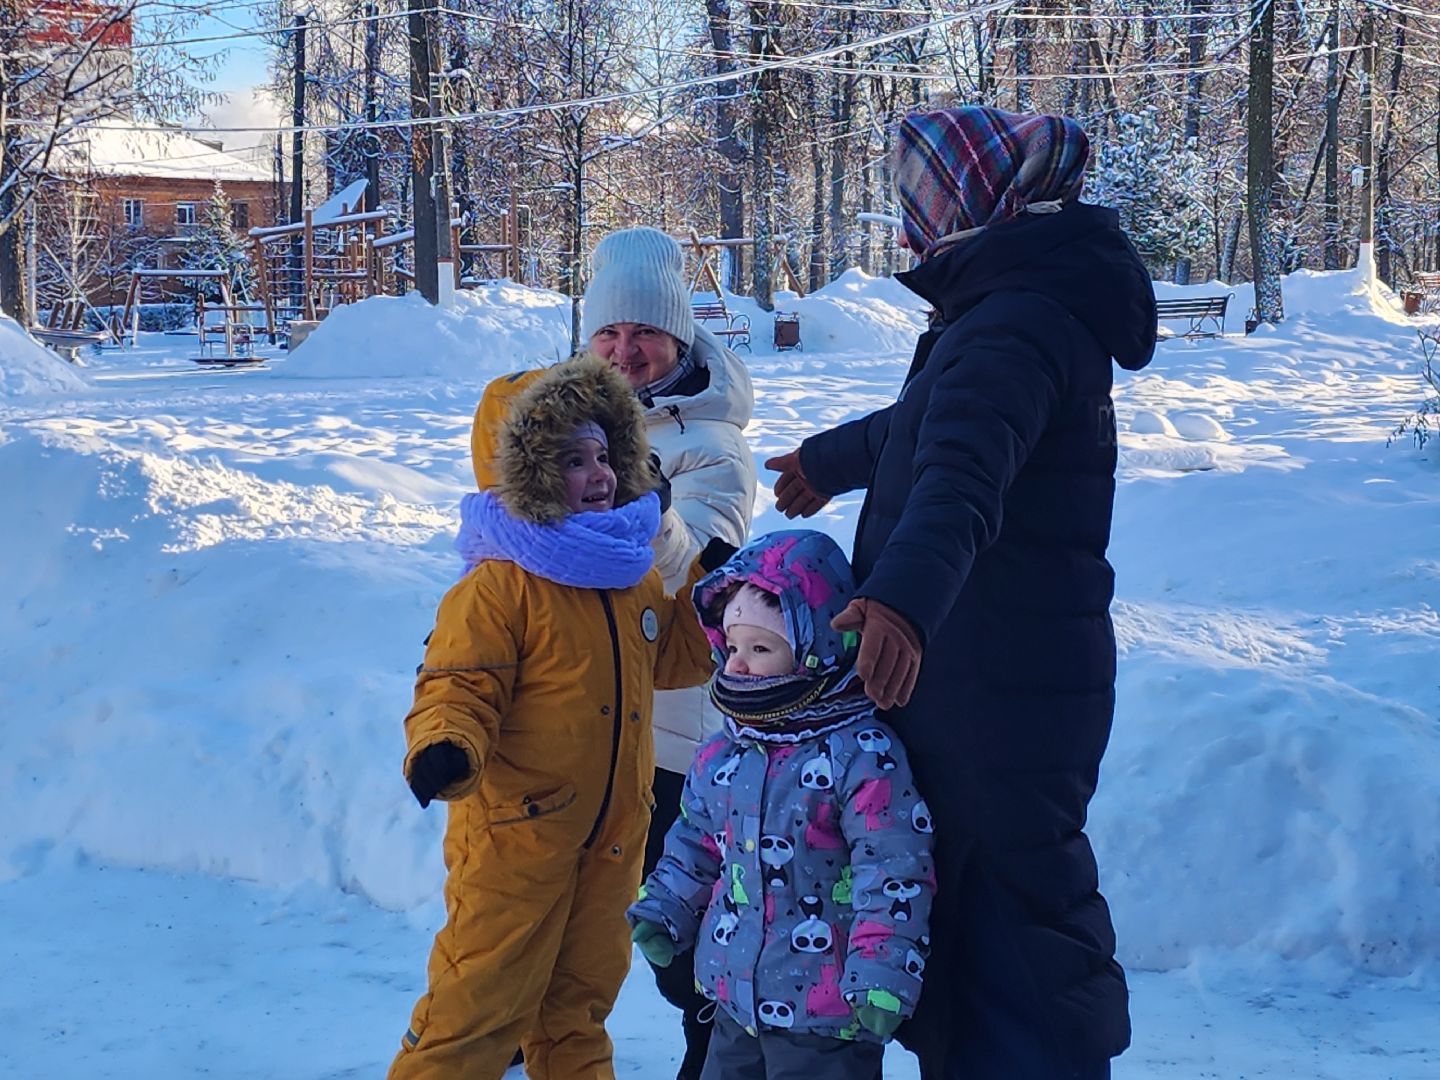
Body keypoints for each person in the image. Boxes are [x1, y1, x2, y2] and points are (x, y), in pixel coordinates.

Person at [766, 106, 1157, 1079]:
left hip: (994, 692)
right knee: (987, 921)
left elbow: (960, 477)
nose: (909, 227)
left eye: (917, 203)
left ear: (968, 202)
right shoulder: (1011, 310)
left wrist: (898, 600)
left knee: (1008, 936)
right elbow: (930, 422)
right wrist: (831, 457)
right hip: (1006, 678)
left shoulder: (1012, 321)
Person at [388, 355, 719, 1080]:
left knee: (577, 1010)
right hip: (516, 844)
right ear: (526, 474)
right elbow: (457, 683)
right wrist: (446, 744)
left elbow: (674, 662)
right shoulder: (499, 587)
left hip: (610, 846)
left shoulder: (627, 571)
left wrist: (705, 589)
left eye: (606, 455)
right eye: (572, 460)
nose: (599, 475)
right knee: (475, 1009)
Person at [628, 529, 935, 1080]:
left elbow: (892, 870)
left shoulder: (859, 754)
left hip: (828, 1014)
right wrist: (667, 907)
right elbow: (695, 843)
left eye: (761, 649)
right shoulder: (726, 749)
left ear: (814, 648)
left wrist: (881, 971)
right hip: (733, 997)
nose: (739, 665)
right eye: (733, 646)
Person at [582, 225, 758, 1077]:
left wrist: (646, 501)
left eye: (643, 334)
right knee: (560, 901)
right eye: (608, 335)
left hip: (674, 736)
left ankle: (721, 1052)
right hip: (582, 713)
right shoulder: (570, 430)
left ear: (678, 340)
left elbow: (705, 584)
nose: (626, 352)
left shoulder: (712, 446)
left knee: (676, 922)